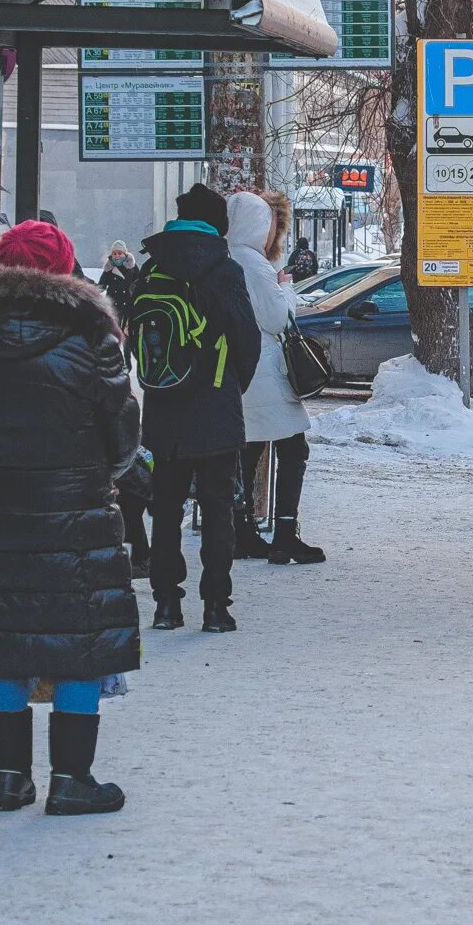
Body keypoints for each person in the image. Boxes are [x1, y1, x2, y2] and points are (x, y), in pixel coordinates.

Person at [0, 220, 142, 816]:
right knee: (78, 638)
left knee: (3, 635)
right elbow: (122, 434)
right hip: (73, 508)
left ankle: (8, 778)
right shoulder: (91, 338)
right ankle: (72, 779)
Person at [135, 184, 259, 633]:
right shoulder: (224, 270)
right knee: (217, 510)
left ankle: (166, 604)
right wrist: (229, 386)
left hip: (163, 406)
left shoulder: (153, 268)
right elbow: (248, 339)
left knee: (165, 511)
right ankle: (215, 606)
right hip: (215, 406)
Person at [228, 191, 325, 564]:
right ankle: (285, 533)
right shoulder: (254, 264)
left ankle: (243, 532)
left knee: (248, 450)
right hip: (266, 371)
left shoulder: (228, 257)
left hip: (241, 371)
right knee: (293, 448)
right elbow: (277, 319)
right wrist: (284, 286)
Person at [98, 240, 139, 320]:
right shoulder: (108, 269)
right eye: (114, 253)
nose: (117, 256)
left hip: (128, 307)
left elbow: (139, 284)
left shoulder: (132, 268)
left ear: (125, 254)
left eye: (120, 253)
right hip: (112, 308)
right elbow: (101, 286)